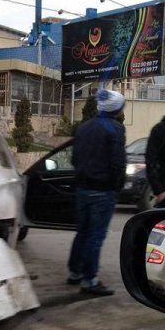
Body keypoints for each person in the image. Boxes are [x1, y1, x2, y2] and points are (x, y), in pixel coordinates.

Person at [67, 89, 127, 296]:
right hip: (103, 191)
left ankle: (74, 272)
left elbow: (74, 159)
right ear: (118, 109)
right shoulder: (115, 129)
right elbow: (118, 163)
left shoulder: (84, 127)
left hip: (82, 189)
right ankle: (90, 280)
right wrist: (116, 185)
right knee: (96, 236)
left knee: (82, 232)